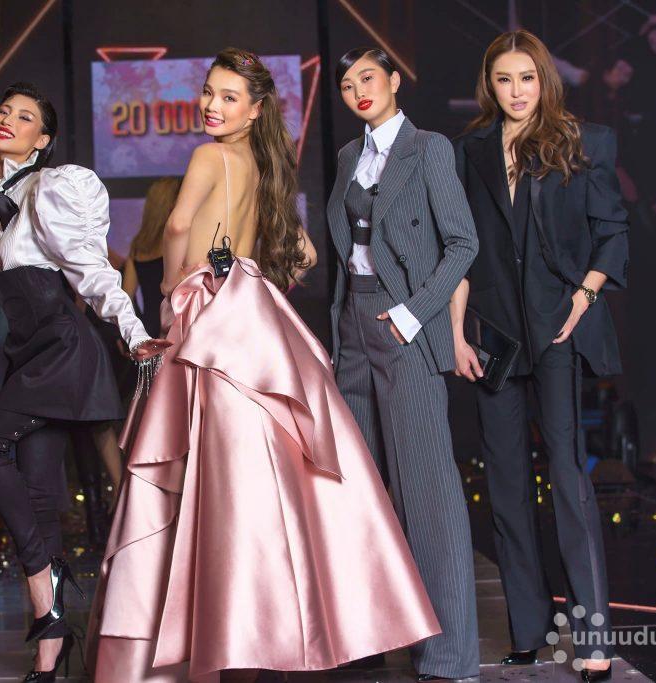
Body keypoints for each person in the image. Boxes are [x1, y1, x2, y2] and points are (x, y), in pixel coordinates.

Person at [89, 48, 440, 683]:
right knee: (257, 475)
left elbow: (177, 225)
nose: (211, 106)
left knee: (196, 471)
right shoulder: (265, 166)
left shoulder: (208, 157)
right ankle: (260, 624)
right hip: (253, 314)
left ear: (254, 110)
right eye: (209, 92)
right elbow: (304, 253)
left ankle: (203, 631)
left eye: (228, 97)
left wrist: (173, 288)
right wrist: (246, 274)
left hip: (205, 315)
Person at [0, 81, 168, 681]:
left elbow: (91, 271)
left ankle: (45, 577)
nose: (8, 120)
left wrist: (132, 330)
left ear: (42, 140)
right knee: (41, 494)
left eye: (25, 117)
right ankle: (52, 647)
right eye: (4, 110)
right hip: (27, 356)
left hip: (67, 351)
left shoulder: (51, 189)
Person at [451, 29, 627, 682]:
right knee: (505, 483)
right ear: (490, 85)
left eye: (527, 77)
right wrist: (456, 333)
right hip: (495, 334)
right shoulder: (471, 150)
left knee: (568, 478)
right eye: (504, 79)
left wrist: (584, 297)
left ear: (544, 80)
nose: (517, 91)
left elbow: (613, 234)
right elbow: (462, 246)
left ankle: (593, 635)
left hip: (559, 327)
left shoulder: (583, 142)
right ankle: (528, 630)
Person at [327, 46, 480, 682]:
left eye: (368, 77)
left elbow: (463, 243)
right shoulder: (347, 157)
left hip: (403, 324)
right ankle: (366, 641)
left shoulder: (428, 149)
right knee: (356, 496)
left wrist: (414, 315)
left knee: (427, 493)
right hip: (351, 328)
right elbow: (349, 251)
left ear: (394, 79)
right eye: (346, 84)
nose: (358, 90)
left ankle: (447, 656)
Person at [122, 176, 182, 339]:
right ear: (172, 204)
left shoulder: (138, 245)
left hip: (147, 328)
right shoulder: (178, 243)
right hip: (175, 326)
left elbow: (126, 297)